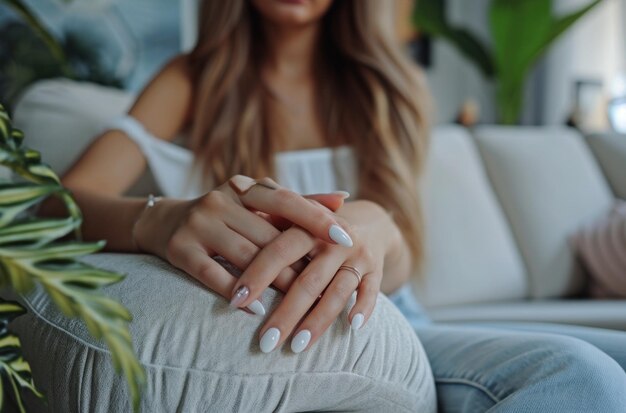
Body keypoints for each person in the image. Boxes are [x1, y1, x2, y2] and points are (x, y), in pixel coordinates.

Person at [54, 0, 626, 411]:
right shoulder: (191, 79)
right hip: (324, 318)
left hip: (393, 310)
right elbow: (56, 205)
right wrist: (158, 216)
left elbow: (403, 272)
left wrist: (381, 229)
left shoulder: (390, 85)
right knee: (584, 377)